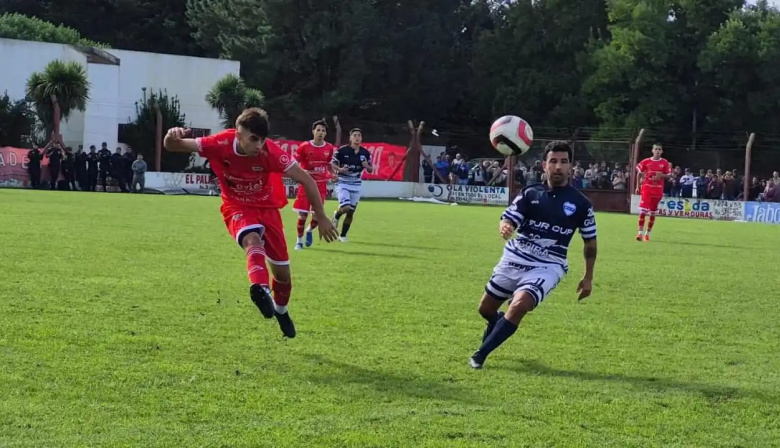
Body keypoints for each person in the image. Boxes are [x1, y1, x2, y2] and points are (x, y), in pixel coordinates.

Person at [163, 108, 339, 338]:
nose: (258, 145)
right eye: (253, 139)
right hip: (237, 206)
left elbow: (306, 179)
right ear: (238, 134)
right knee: (252, 239)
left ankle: (281, 311)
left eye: (262, 139)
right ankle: (260, 288)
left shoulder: (271, 152)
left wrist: (322, 216)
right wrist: (170, 136)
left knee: (283, 275)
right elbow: (173, 145)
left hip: (268, 209)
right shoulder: (218, 143)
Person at [468, 141, 597, 370]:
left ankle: (480, 354)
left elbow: (590, 242)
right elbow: (509, 218)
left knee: (519, 305)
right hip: (515, 258)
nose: (558, 167)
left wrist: (588, 277)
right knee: (485, 310)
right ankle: (496, 322)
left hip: (549, 264)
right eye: (553, 161)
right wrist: (505, 226)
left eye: (564, 162)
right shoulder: (530, 193)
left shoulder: (581, 204)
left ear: (571, 167)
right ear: (544, 165)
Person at [292, 117, 340, 250]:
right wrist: (302, 172)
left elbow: (329, 166)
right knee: (302, 215)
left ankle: (309, 230)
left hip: (321, 186)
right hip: (306, 185)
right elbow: (294, 163)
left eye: (323, 130)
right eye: (318, 130)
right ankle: (299, 241)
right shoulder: (304, 146)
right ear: (313, 131)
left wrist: (332, 175)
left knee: (317, 216)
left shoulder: (329, 148)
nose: (320, 132)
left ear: (325, 133)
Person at [331, 128, 374, 242]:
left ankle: (343, 236)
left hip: (356, 183)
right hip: (342, 182)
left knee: (351, 211)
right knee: (345, 207)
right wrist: (340, 169)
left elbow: (371, 170)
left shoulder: (365, 153)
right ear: (350, 138)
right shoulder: (342, 151)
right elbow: (333, 163)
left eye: (359, 135)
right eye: (354, 135)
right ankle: (337, 215)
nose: (357, 137)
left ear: (361, 138)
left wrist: (366, 165)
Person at [635, 144, 671, 241]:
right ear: (652, 151)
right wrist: (638, 186)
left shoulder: (664, 162)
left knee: (652, 212)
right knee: (642, 211)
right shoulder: (646, 161)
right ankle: (639, 234)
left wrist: (661, 175)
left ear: (662, 151)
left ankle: (647, 234)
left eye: (659, 149)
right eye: (656, 149)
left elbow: (669, 175)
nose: (657, 151)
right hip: (646, 188)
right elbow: (639, 172)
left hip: (658, 189)